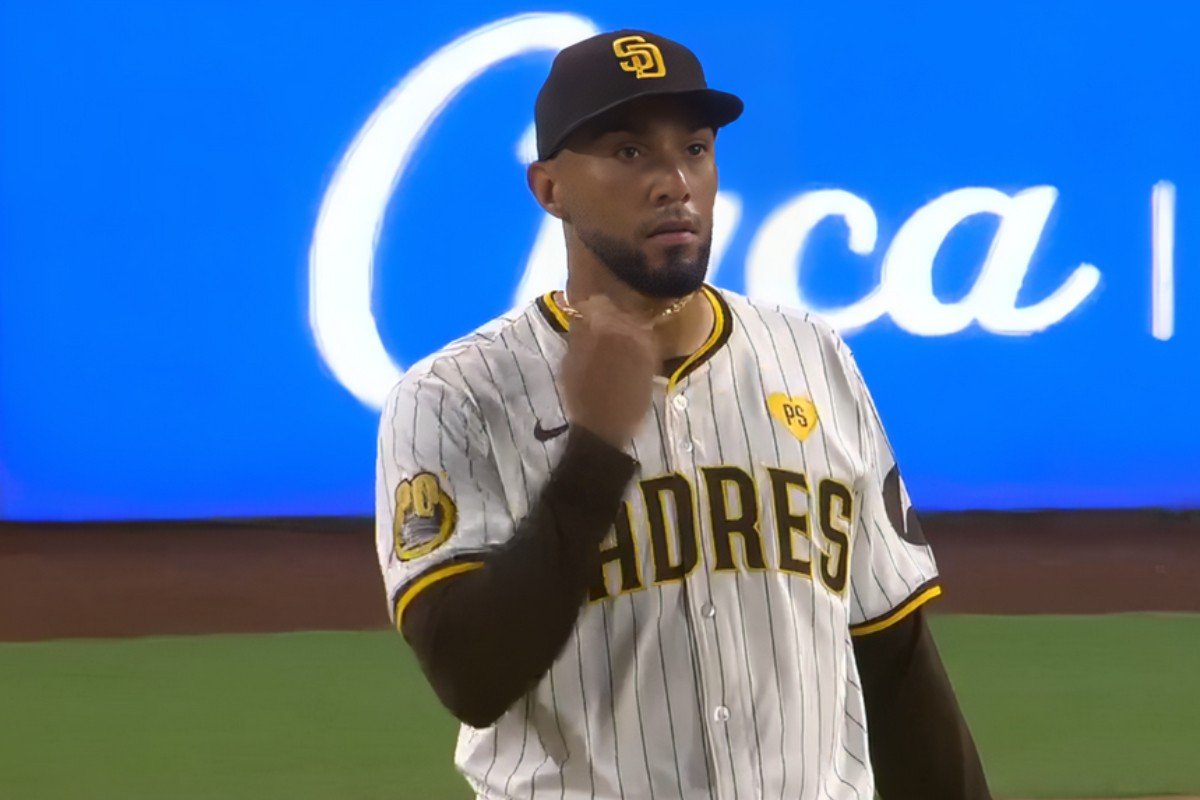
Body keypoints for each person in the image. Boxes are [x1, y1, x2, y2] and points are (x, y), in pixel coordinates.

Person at [376, 29, 991, 799]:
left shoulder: (812, 356)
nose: (675, 181)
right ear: (549, 188)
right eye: (630, 152)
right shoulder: (454, 396)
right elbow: (470, 675)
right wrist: (595, 450)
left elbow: (894, 657)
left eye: (695, 149)